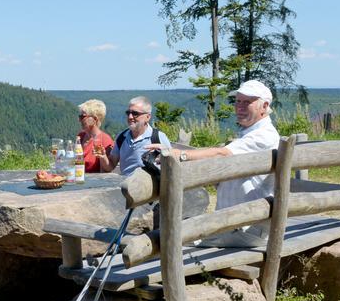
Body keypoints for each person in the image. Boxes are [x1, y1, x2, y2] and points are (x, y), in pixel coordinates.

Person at [147, 79, 280, 246]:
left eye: (247, 102)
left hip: (246, 228)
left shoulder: (263, 136)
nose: (239, 106)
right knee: (176, 233)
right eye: (237, 101)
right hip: (238, 223)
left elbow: (222, 154)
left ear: (265, 106)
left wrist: (180, 155)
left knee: (171, 239)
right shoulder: (254, 133)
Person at [108, 96, 170, 175]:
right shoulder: (121, 137)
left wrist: (162, 157)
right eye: (128, 113)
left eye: (135, 113)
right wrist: (102, 157)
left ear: (147, 117)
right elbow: (111, 164)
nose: (130, 117)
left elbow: (171, 164)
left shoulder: (158, 137)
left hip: (149, 186)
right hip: (125, 184)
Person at [75, 99, 116, 173]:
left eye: (82, 117)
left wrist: (103, 157)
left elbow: (109, 168)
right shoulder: (80, 136)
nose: (79, 120)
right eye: (79, 116)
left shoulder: (105, 140)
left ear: (94, 119)